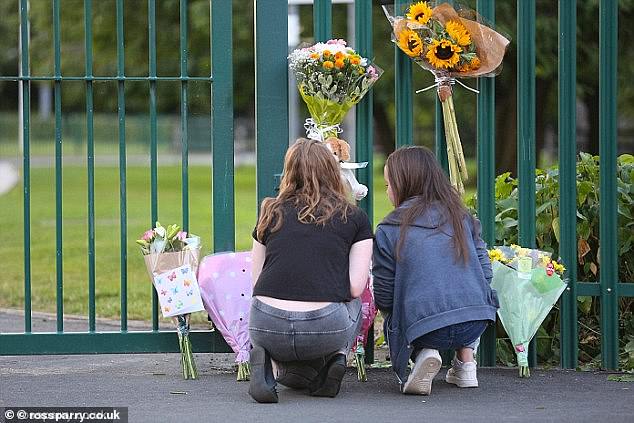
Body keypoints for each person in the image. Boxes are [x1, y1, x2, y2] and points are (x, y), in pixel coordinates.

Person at [248, 138, 373, 403]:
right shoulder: (354, 217)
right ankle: (337, 357)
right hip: (325, 328)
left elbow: (257, 280)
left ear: (289, 172)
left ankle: (266, 362)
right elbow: (355, 287)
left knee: (268, 313)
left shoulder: (269, 211)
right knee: (355, 304)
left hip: (267, 324)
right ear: (332, 170)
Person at [373, 145, 498, 395]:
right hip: (474, 322)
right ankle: (466, 363)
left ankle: (424, 352)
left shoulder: (389, 229)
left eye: (388, 185)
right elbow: (485, 274)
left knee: (400, 312)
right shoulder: (463, 217)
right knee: (468, 300)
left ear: (403, 184)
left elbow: (385, 295)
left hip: (424, 327)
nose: (387, 191)